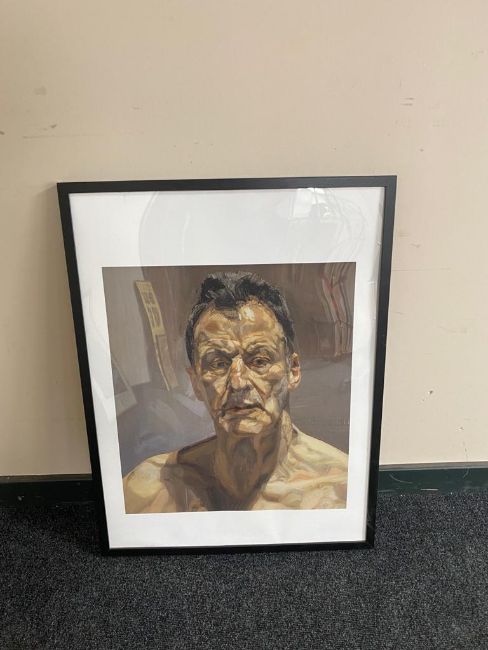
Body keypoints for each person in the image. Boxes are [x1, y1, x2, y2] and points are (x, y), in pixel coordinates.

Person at [123, 271, 348, 512]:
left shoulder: (341, 490)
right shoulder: (149, 489)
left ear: (292, 370)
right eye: (218, 363)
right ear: (196, 382)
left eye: (259, 361)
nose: (238, 382)